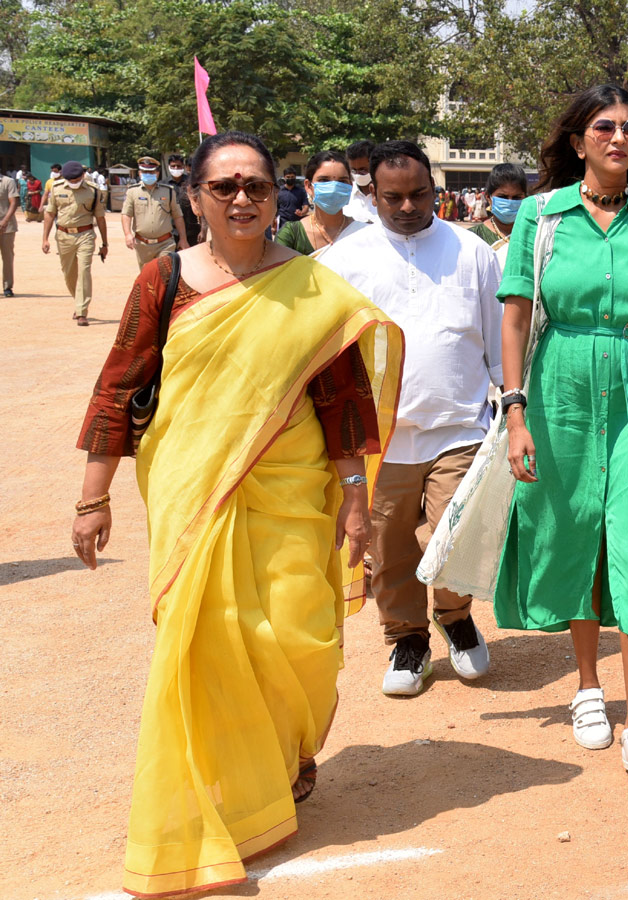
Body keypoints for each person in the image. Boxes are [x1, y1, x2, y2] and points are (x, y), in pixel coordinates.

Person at [71, 130, 403, 898]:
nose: (243, 198)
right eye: (224, 187)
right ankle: (222, 793)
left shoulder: (313, 288)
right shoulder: (164, 281)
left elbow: (342, 401)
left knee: (297, 636)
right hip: (194, 490)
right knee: (210, 641)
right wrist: (93, 496)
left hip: (293, 489)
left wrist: (356, 502)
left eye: (256, 184)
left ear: (275, 193)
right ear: (196, 199)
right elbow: (119, 387)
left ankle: (286, 756)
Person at [495, 84, 628, 788]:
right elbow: (519, 314)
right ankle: (588, 685)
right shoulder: (538, 215)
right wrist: (516, 411)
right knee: (575, 528)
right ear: (579, 138)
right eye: (604, 126)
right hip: (560, 387)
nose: (619, 137)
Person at [320, 141, 501, 696]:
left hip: (460, 426)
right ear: (370, 195)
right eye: (392, 197)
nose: (406, 207)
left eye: (418, 194)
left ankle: (455, 617)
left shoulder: (473, 252)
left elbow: (498, 341)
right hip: (381, 437)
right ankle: (407, 638)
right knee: (390, 544)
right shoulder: (343, 261)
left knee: (457, 535)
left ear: (435, 191)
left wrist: (512, 406)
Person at [42, 160, 108, 326]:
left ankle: (81, 311)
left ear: (83, 175)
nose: (73, 183)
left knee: (84, 271)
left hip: (85, 234)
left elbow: (100, 217)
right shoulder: (56, 188)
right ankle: (78, 300)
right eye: (70, 181)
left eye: (76, 180)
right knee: (69, 274)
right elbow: (50, 214)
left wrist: (105, 243)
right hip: (63, 236)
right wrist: (45, 238)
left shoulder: (93, 191)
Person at [275, 149, 366, 257]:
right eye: (324, 180)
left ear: (350, 186)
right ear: (308, 186)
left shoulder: (363, 232)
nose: (333, 188)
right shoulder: (291, 235)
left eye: (342, 181)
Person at [121, 156, 189, 267]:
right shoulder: (132, 192)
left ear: (157, 173)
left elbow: (178, 216)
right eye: (145, 171)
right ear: (139, 173)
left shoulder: (168, 191)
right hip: (142, 244)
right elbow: (126, 214)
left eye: (151, 172)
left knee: (163, 274)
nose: (148, 174)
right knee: (147, 277)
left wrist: (183, 239)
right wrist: (127, 234)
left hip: (165, 243)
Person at [468, 162, 528, 267]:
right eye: (503, 197)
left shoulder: (533, 234)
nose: (510, 202)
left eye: (516, 197)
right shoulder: (473, 237)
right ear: (488, 198)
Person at [167, 153, 204, 246]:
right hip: (170, 233)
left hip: (192, 231)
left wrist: (203, 230)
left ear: (183, 166)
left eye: (178, 166)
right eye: (173, 166)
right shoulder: (163, 185)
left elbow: (202, 207)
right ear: (169, 167)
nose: (176, 168)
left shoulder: (192, 183)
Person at [345, 139, 378, 223]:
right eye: (354, 170)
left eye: (363, 169)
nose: (358, 174)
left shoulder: (387, 194)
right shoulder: (345, 194)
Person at [0, 168, 19, 297]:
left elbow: (14, 203)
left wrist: (5, 220)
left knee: (7, 257)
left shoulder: (8, 182)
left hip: (6, 226)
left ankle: (7, 287)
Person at [276, 165, 309, 230]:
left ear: (295, 177)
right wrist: (273, 222)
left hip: (297, 224)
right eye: (288, 177)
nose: (290, 179)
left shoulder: (301, 191)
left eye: (292, 177)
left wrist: (302, 212)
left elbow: (306, 206)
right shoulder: (279, 191)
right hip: (283, 224)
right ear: (284, 177)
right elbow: (275, 208)